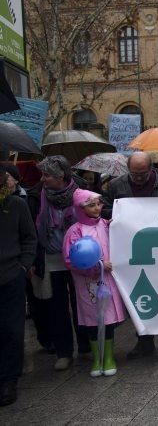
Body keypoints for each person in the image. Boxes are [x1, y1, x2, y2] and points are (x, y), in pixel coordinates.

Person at [102, 152, 158, 359]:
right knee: (137, 294)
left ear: (152, 169)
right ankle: (144, 340)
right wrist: (118, 215)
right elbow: (105, 208)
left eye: (143, 174)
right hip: (132, 248)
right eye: (134, 174)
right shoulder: (116, 185)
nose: (139, 177)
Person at [32, 156, 91, 370]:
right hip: (52, 257)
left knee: (81, 302)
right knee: (56, 307)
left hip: (79, 257)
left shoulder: (82, 192)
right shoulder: (38, 194)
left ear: (61, 176)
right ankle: (63, 351)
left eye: (47, 175)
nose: (43, 178)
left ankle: (85, 345)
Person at [62, 189, 126, 377]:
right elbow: (69, 260)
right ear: (81, 208)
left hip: (107, 281)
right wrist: (96, 267)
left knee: (106, 320)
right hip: (86, 284)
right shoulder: (75, 231)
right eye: (91, 205)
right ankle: (97, 358)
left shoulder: (106, 225)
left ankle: (108, 357)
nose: (97, 208)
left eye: (99, 204)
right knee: (91, 320)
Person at [0, 170, 37, 406]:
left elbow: (29, 237)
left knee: (11, 329)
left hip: (9, 275)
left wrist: (23, 265)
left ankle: (8, 379)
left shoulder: (15, 205)